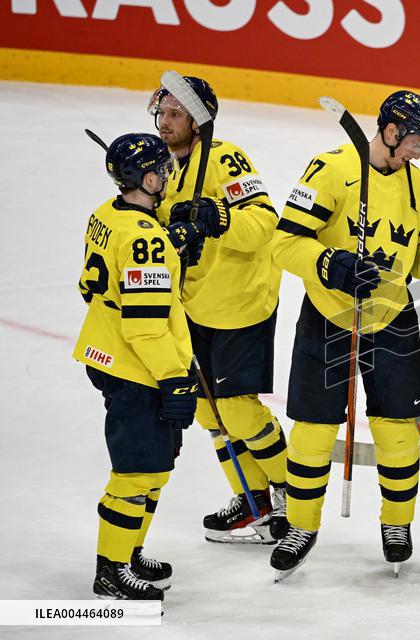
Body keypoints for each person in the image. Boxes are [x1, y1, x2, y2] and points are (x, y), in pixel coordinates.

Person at [269, 90, 420, 578]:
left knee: (399, 433)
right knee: (313, 431)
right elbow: (283, 243)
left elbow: (414, 263)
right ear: (392, 131)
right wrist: (330, 264)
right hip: (329, 316)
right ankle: (300, 526)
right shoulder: (331, 170)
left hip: (392, 316)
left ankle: (397, 524)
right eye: (417, 140)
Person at [148, 75, 288, 544]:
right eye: (162, 113)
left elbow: (264, 223)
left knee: (240, 411)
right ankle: (255, 504)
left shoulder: (224, 157)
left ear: (198, 121)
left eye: (175, 115)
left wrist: (215, 216)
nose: (164, 122)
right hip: (196, 303)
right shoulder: (168, 166)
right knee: (208, 412)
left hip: (242, 301)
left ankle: (292, 499)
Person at [74, 133, 198, 599]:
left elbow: (89, 288)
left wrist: (169, 236)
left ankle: (127, 551)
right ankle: (111, 571)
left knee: (153, 466)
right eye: (162, 171)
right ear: (146, 178)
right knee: (134, 473)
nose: (167, 176)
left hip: (107, 351)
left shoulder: (107, 215)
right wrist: (175, 378)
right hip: (138, 367)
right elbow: (145, 328)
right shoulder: (145, 242)